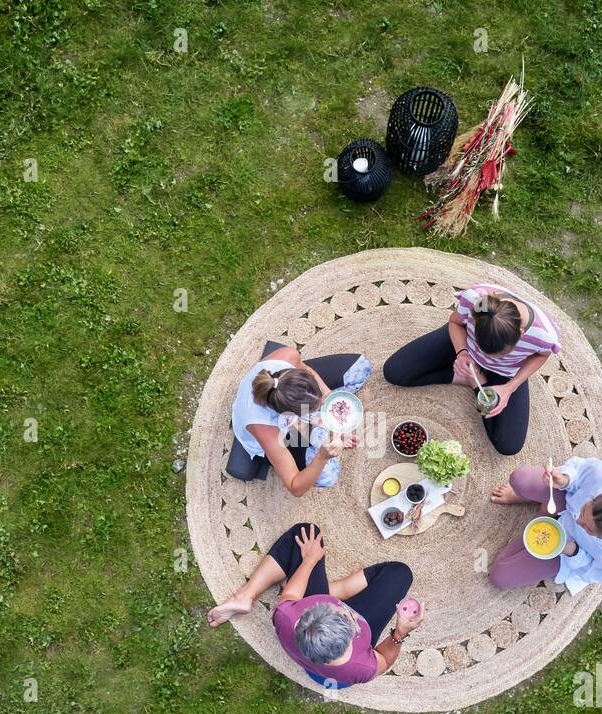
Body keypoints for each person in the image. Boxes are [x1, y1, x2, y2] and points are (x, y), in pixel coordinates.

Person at [207, 524, 422, 687]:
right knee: (400, 574)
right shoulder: (361, 667)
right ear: (350, 640)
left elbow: (291, 595)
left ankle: (245, 596)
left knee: (305, 533)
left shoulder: (287, 617)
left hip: (315, 651)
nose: (344, 609)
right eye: (347, 616)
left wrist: (310, 561)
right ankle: (334, 588)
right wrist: (400, 633)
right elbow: (384, 660)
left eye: (330, 607)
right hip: (335, 669)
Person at [382, 283, 561, 455]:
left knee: (508, 445)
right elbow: (455, 323)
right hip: (465, 348)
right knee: (394, 372)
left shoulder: (544, 334)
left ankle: (478, 382)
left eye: (497, 354)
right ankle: (464, 377)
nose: (488, 358)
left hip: (505, 372)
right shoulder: (477, 300)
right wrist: (462, 353)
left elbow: (541, 356)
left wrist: (510, 387)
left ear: (521, 334)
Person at [487, 456, 602, 592]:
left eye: (587, 529)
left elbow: (588, 572)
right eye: (584, 510)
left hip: (565, 548)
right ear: (595, 497)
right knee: (519, 478)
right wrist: (564, 480)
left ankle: (543, 510)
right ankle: (532, 501)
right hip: (564, 500)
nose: (578, 520)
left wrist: (572, 551)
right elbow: (579, 469)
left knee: (499, 576)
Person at [231, 347, 370, 496]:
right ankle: (316, 435)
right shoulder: (264, 428)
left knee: (362, 367)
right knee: (328, 476)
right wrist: (322, 456)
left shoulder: (288, 356)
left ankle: (316, 427)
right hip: (277, 435)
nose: (321, 407)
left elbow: (308, 371)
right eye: (312, 409)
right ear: (292, 414)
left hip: (290, 400)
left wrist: (327, 397)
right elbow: (295, 487)